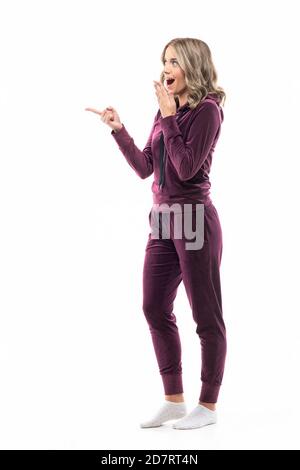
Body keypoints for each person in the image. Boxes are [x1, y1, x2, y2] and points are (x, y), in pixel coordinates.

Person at [85, 37, 227, 430]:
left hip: (194, 219)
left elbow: (185, 169)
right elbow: (147, 166)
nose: (166, 68)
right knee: (153, 306)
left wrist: (167, 116)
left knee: (205, 317)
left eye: (175, 61)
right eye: (164, 60)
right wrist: (119, 131)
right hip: (163, 220)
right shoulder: (165, 107)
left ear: (192, 66)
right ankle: (174, 398)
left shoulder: (208, 111)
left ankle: (208, 405)